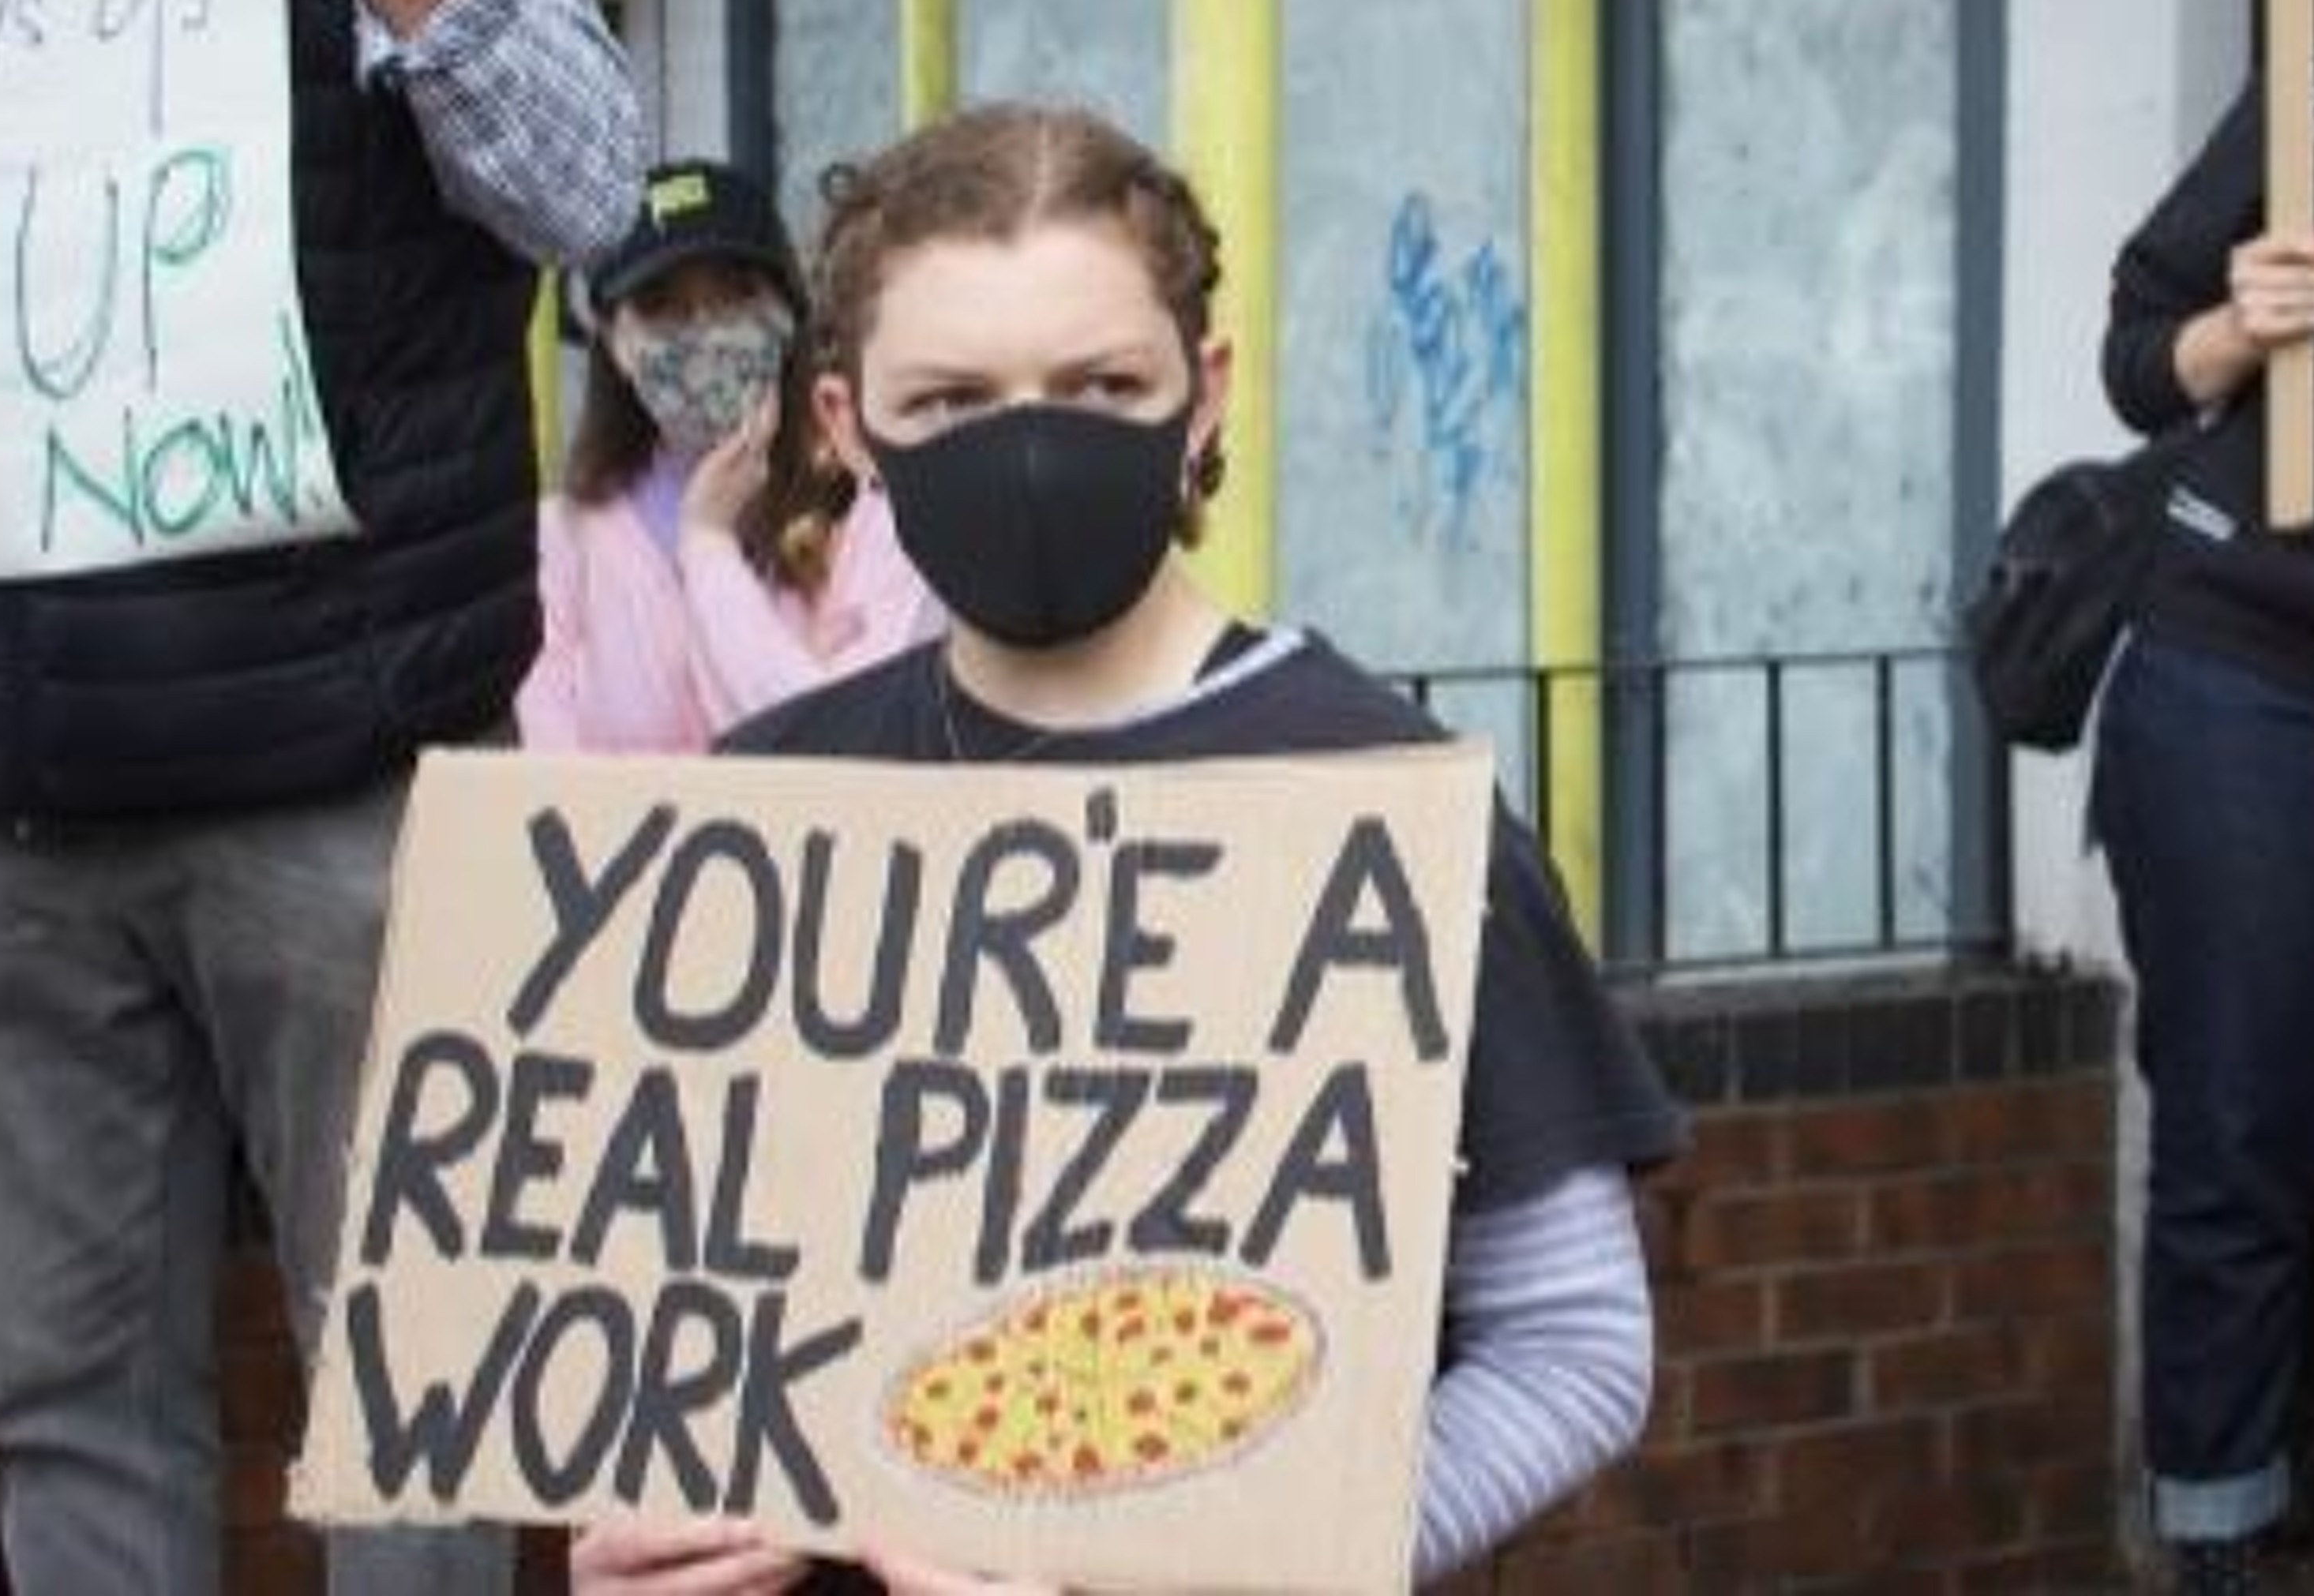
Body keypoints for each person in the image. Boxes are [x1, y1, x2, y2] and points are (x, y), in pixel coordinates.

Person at [572, 100, 1680, 1595]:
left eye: (1101, 385)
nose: (1029, 449)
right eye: (950, 401)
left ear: (1202, 396)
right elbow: (675, 1308)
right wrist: (637, 1539)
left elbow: (1573, 1342)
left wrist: (1243, 1566)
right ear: (843, 426)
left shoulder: (1387, 802)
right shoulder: (765, 799)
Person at [0, 0, 643, 1595]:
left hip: (337, 771)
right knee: (57, 1393)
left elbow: (580, 188)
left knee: (412, 1388)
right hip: (7, 797)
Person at [2089, 63, 2314, 1596]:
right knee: (2241, 1130)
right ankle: (2224, 1551)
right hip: (2248, 666)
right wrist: (2244, 325)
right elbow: (2136, 354)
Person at [518, 156, 939, 751]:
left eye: (736, 296)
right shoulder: (559, 544)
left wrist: (707, 542)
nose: (705, 333)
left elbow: (835, 751)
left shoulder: (872, 510)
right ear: (613, 342)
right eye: (661, 306)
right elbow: (548, 774)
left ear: (789, 315)